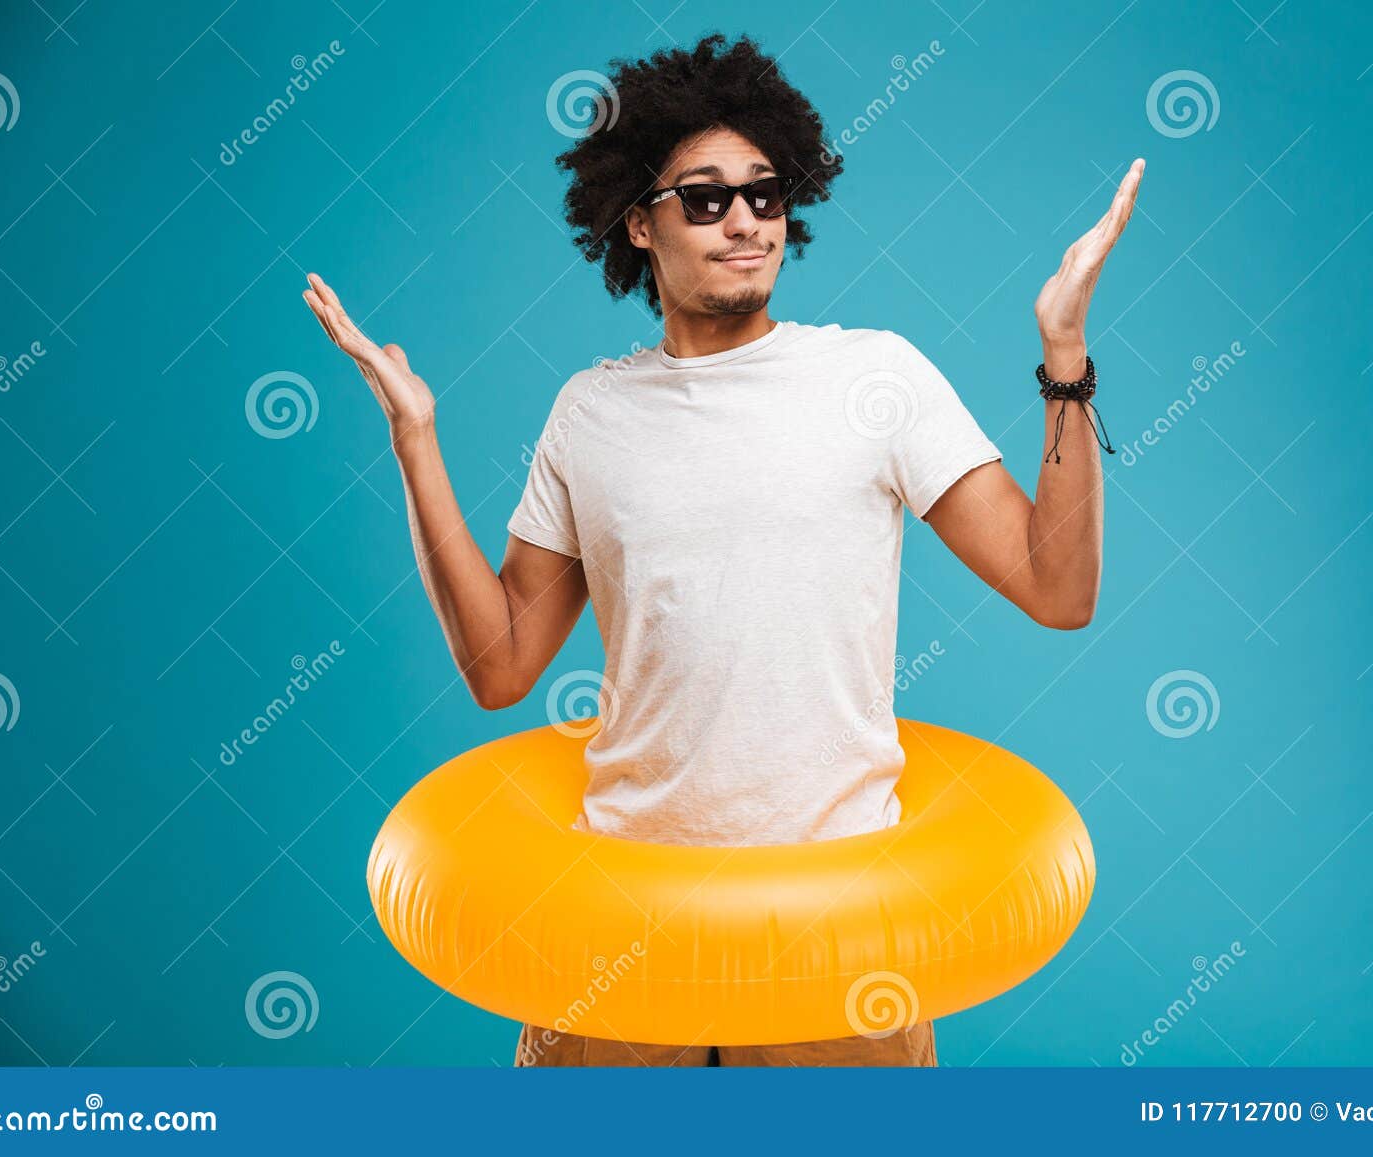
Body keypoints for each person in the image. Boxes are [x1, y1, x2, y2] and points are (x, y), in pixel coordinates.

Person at [301, 32, 1141, 1067]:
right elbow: (501, 665)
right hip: (617, 931)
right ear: (638, 224)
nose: (743, 219)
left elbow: (1058, 586)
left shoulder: (876, 380)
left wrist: (1064, 357)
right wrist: (415, 441)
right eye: (703, 197)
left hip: (837, 933)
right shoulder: (589, 411)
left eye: (765, 191)